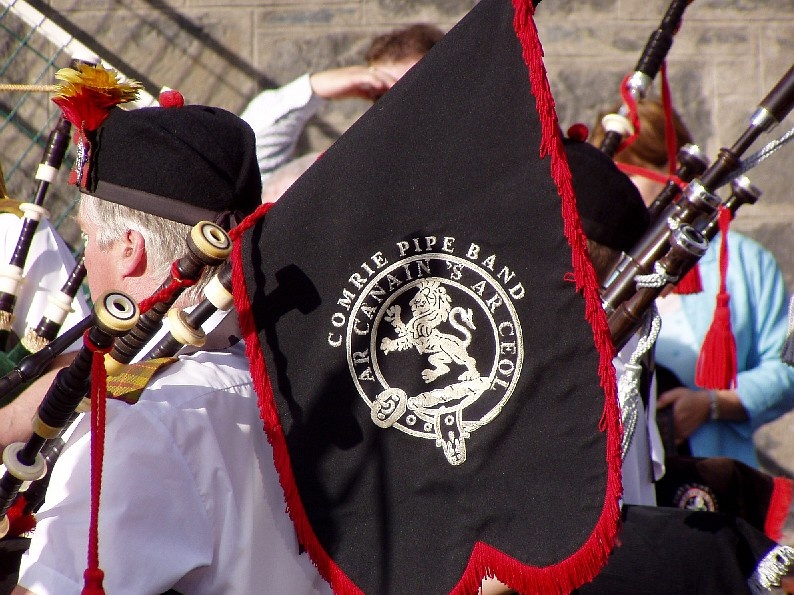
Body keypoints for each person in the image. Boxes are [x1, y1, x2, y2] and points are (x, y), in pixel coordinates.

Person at [12, 100, 331, 594]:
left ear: (129, 250)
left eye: (89, 237)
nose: (86, 257)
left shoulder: (142, 422)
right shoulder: (307, 366)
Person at [590, 98, 794, 469]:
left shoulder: (744, 262)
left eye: (635, 170)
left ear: (673, 172)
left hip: (708, 476)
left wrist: (711, 404)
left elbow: (787, 367)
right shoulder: (595, 261)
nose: (621, 184)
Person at [240, 23, 444, 185]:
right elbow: (253, 172)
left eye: (409, 87)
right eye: (381, 93)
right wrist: (314, 86)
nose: (394, 103)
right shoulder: (361, 169)